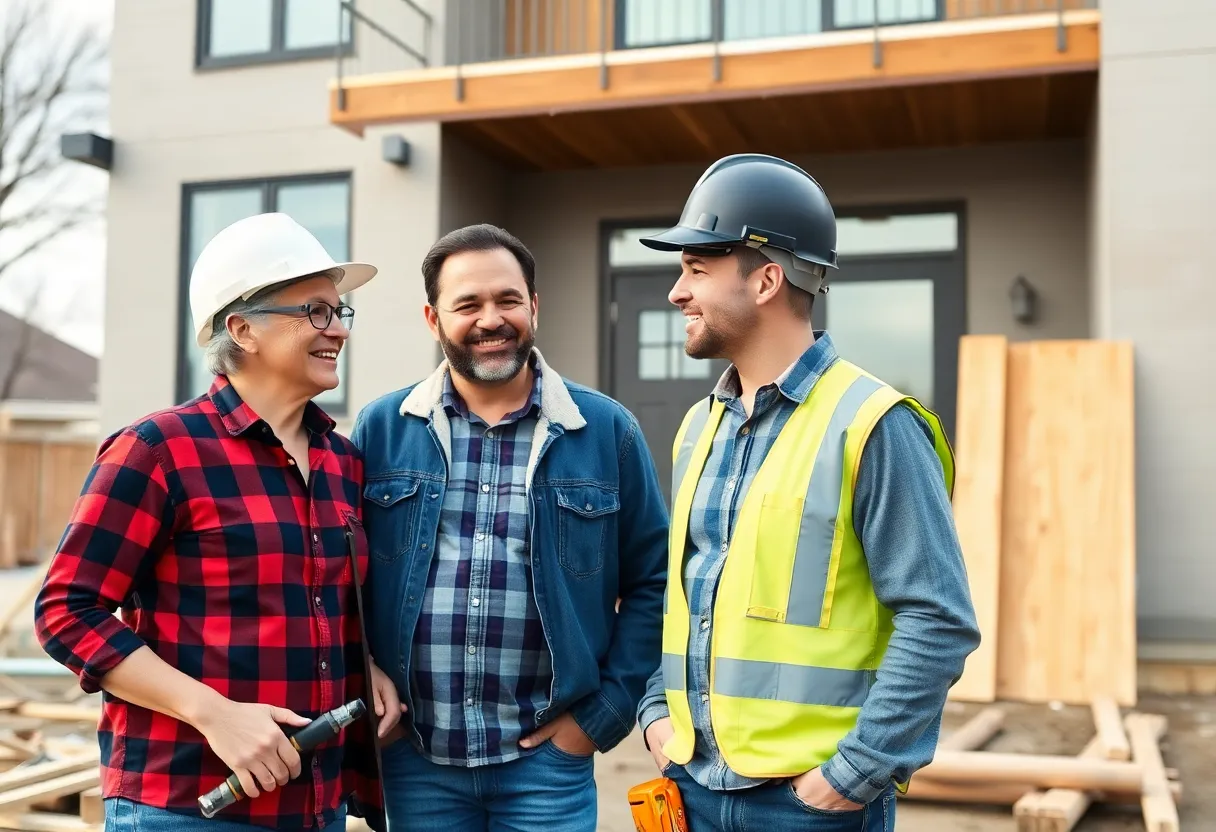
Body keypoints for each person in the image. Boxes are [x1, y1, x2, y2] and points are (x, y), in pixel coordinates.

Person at [634, 154, 982, 832]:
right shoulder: (697, 428)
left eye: (696, 269)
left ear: (765, 279)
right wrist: (656, 716)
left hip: (807, 808)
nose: (677, 292)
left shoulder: (875, 425)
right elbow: (688, 598)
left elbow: (938, 620)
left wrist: (849, 776)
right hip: (692, 787)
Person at [34, 212, 402, 832]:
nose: (337, 329)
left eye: (341, 312)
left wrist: (367, 663)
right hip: (187, 804)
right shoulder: (160, 451)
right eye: (316, 311)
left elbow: (318, 603)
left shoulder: (343, 462)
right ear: (242, 330)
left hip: (316, 805)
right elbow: (66, 612)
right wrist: (214, 713)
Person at [349, 223, 669, 832]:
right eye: (467, 304)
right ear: (432, 318)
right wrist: (365, 664)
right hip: (414, 760)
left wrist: (599, 717)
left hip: (547, 766)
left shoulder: (606, 431)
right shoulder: (382, 430)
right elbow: (342, 577)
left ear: (534, 307)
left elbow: (655, 584)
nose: (490, 319)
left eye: (507, 300)